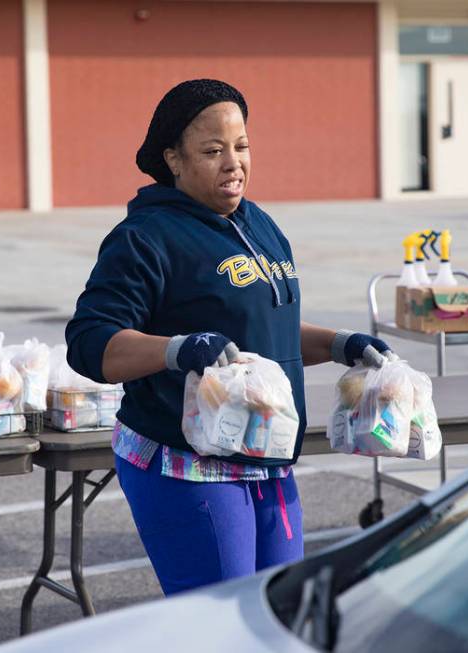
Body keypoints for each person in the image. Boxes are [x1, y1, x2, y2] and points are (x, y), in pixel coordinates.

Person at [65, 79, 391, 596]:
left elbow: (260, 337)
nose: (233, 163)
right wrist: (177, 350)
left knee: (278, 610)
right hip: (185, 465)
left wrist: (338, 344)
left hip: (267, 453)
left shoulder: (258, 223)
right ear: (173, 159)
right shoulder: (145, 238)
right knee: (221, 624)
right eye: (213, 151)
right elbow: (90, 342)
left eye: (241, 147)